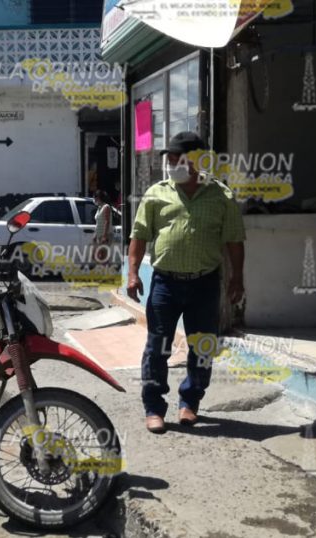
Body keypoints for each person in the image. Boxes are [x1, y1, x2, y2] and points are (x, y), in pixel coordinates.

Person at [127, 131, 246, 434]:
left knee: (202, 347)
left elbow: (234, 240)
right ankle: (154, 408)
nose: (171, 164)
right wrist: (132, 274)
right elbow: (138, 235)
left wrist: (237, 279)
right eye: (169, 159)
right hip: (165, 284)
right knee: (158, 347)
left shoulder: (221, 196)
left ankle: (189, 403)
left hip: (205, 284)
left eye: (177, 159)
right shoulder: (157, 194)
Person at [92, 189, 114, 265]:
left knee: (102, 257)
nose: (94, 200)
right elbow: (98, 223)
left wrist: (104, 236)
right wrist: (95, 235)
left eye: (95, 198)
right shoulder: (99, 208)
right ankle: (103, 273)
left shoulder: (106, 207)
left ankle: (106, 273)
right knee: (98, 256)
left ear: (98, 198)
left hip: (105, 235)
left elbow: (106, 221)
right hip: (99, 235)